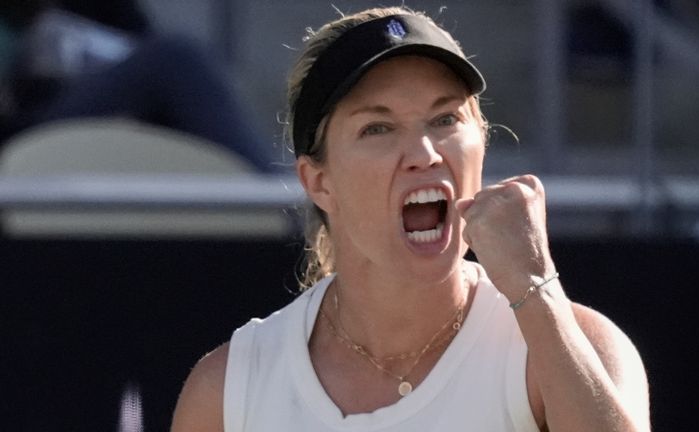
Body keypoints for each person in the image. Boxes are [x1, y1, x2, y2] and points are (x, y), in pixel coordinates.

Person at [171, 6, 650, 432]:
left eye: (445, 120)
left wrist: (536, 287)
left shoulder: (576, 348)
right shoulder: (229, 391)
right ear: (319, 183)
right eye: (377, 128)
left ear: (481, 146)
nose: (424, 153)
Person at [1, 1, 281, 173]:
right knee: (176, 58)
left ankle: (271, 207)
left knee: (177, 68)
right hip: (20, 132)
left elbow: (139, 45)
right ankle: (283, 206)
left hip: (87, 111)